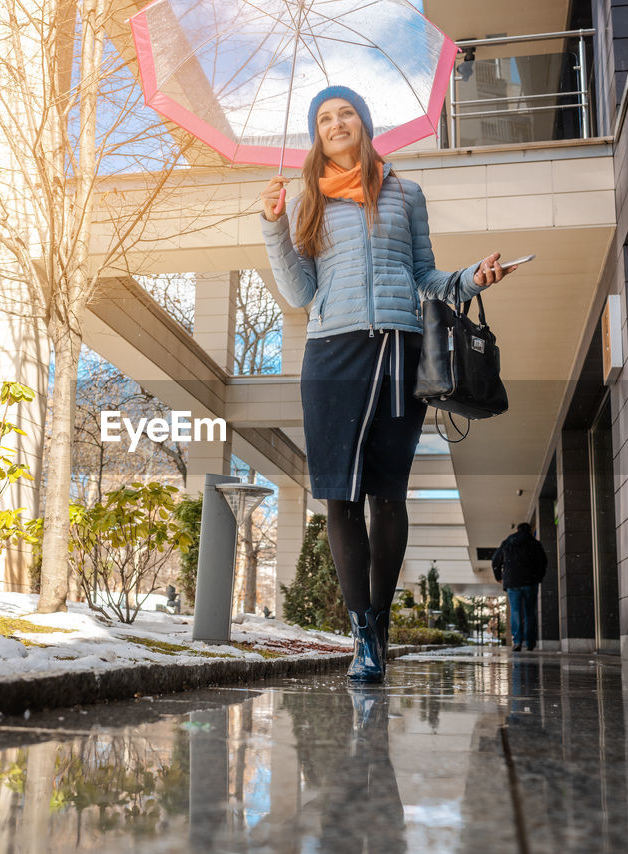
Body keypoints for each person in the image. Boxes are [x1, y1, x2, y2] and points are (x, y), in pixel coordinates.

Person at [259, 85, 519, 682]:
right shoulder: (303, 204)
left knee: (387, 494)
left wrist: (474, 279)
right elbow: (299, 294)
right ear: (315, 134)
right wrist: (273, 228)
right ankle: (362, 634)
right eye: (324, 117)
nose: (336, 122)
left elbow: (427, 275)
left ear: (364, 121)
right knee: (339, 496)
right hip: (332, 353)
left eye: (346, 111)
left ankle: (377, 622)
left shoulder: (405, 193)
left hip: (400, 350)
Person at [491, 522, 549, 651]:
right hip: (530, 582)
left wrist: (499, 576)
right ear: (529, 531)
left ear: (517, 530)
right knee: (530, 613)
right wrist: (539, 577)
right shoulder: (535, 543)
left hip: (513, 582)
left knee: (516, 612)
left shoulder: (507, 543)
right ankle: (530, 643)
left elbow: (495, 559)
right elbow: (543, 562)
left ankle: (517, 641)